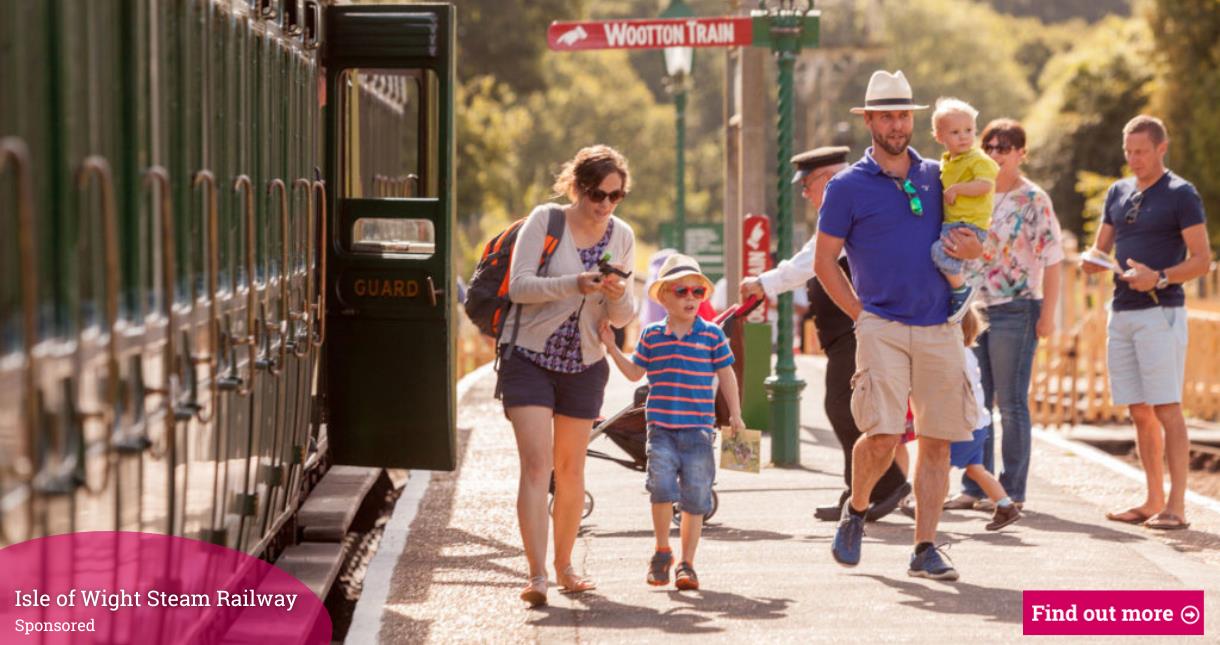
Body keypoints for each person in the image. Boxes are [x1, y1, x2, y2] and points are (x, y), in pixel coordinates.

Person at [814, 69, 983, 581]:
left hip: (940, 325)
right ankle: (858, 508)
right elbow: (824, 263)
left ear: (914, 119)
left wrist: (976, 252)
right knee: (884, 434)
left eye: (903, 114)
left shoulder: (940, 173)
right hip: (881, 324)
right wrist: (859, 316)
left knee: (937, 440)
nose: (895, 124)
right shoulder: (845, 187)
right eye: (885, 115)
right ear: (868, 120)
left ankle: (925, 546)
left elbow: (972, 235)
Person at [740, 146, 910, 523]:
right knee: (846, 409)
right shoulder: (847, 207)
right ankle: (859, 491)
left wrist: (764, 283)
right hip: (846, 334)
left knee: (844, 408)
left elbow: (810, 261)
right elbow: (807, 257)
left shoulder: (854, 205)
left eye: (808, 185)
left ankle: (886, 485)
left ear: (829, 179)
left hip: (858, 330)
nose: (804, 193)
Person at [499, 145, 637, 606]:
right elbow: (519, 287)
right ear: (577, 188)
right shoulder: (547, 221)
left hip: (584, 363)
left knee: (571, 470)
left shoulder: (622, 236)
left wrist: (615, 294)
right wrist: (574, 282)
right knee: (537, 466)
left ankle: (565, 567)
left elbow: (622, 317)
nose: (604, 205)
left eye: (615, 196)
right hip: (530, 357)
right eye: (596, 194)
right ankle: (536, 575)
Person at [1085, 115, 1211, 531]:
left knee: (1167, 408)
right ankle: (1152, 499)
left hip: (1161, 311)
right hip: (1120, 312)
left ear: (1161, 148)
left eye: (1141, 151)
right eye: (1128, 152)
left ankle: (1177, 506)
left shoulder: (1181, 194)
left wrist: (1157, 277)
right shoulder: (1118, 192)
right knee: (1139, 411)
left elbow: (1201, 260)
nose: (1134, 159)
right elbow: (1101, 249)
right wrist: (1093, 261)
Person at [599, 253, 746, 591]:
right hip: (661, 428)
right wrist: (611, 347)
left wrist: (735, 414)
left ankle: (687, 564)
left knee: (696, 497)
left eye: (697, 292)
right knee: (661, 491)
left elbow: (727, 376)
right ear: (663, 295)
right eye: (682, 292)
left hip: (698, 431)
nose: (691, 298)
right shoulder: (652, 335)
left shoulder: (711, 336)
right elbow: (636, 373)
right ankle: (662, 551)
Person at [947, 118, 1064, 513]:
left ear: (1020, 153)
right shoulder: (974, 193)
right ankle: (977, 486)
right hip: (971, 307)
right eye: (990, 146)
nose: (996, 154)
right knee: (974, 400)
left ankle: (1012, 490)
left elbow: (1053, 260)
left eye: (1004, 147)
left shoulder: (1034, 199)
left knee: (1011, 403)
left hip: (1017, 307)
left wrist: (1047, 314)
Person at [949, 306, 1022, 531]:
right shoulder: (968, 354)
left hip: (964, 424)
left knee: (938, 465)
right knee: (975, 469)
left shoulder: (956, 356)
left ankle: (921, 503)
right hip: (978, 424)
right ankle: (1005, 505)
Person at [930, 98, 998, 323]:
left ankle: (961, 291)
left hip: (969, 224)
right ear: (939, 137)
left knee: (939, 252)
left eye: (969, 130)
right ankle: (956, 294)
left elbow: (985, 185)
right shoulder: (948, 161)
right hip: (955, 222)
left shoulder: (978, 159)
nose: (964, 136)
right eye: (955, 132)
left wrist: (957, 189)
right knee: (942, 257)